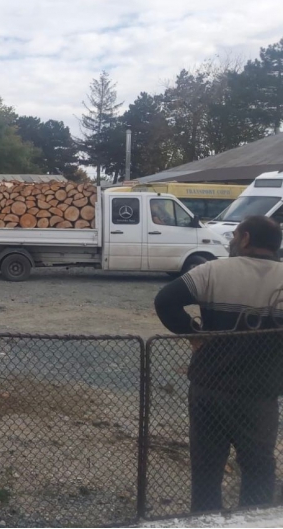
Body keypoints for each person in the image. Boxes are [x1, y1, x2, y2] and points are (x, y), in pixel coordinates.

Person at [154, 216, 283, 513]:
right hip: (260, 395)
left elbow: (165, 301)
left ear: (246, 238)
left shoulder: (213, 270)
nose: (232, 241)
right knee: (258, 467)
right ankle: (254, 521)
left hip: (209, 389)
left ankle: (206, 521)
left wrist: (192, 333)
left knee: (207, 467)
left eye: (235, 235)